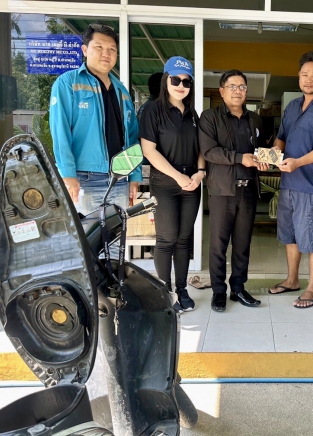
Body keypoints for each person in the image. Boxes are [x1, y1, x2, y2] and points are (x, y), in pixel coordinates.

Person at [268, 51, 313, 308]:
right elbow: (281, 138)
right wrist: (271, 156)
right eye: (304, 74)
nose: (309, 80)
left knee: (311, 238)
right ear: (298, 76)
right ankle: (292, 280)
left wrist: (298, 162)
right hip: (288, 185)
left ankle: (312, 289)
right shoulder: (292, 106)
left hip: (311, 186)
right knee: (289, 236)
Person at [50, 23, 141, 214]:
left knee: (117, 233)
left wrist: (134, 176)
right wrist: (68, 174)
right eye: (99, 47)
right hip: (84, 179)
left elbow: (132, 137)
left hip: (120, 179)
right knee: (87, 233)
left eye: (112, 49)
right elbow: (60, 131)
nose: (106, 54)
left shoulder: (121, 90)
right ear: (85, 50)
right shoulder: (68, 83)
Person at [199, 70, 269, 312]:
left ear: (246, 91)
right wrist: (241, 158)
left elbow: (260, 149)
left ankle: (238, 288)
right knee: (218, 245)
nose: (237, 91)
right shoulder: (210, 117)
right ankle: (219, 291)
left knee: (242, 243)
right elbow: (209, 151)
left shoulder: (255, 119)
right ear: (222, 91)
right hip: (222, 190)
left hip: (248, 190)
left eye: (242, 87)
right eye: (232, 86)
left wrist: (265, 158)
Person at [139, 56, 205, 312]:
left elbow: (201, 149)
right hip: (165, 182)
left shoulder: (193, 114)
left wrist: (200, 173)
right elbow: (149, 150)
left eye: (186, 82)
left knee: (184, 240)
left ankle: (182, 289)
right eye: (176, 80)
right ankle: (165, 293)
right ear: (166, 80)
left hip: (192, 183)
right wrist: (178, 177)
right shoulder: (153, 110)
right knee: (166, 239)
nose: (181, 86)